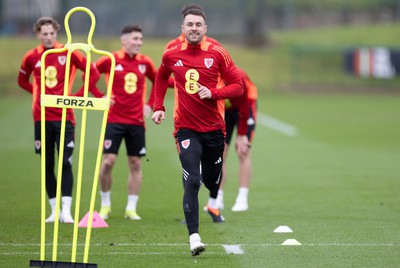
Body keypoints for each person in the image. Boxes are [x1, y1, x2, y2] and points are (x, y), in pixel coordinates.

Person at [151, 9, 243, 256]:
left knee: (212, 181)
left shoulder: (217, 52)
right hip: (186, 128)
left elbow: (238, 87)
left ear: (205, 28)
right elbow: (160, 78)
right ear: (182, 28)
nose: (194, 28)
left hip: (214, 129)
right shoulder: (171, 54)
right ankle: (194, 237)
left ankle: (212, 196)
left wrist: (213, 93)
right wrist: (158, 107)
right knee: (192, 180)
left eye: (198, 24)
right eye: (189, 24)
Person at [17, 17, 101, 224]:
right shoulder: (31, 56)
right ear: (38, 35)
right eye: (44, 34)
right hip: (41, 117)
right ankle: (53, 210)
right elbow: (22, 80)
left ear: (56, 33)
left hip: (65, 117)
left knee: (65, 162)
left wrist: (79, 95)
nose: (48, 37)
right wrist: (37, 94)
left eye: (51, 33)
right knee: (47, 164)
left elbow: (94, 72)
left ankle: (66, 211)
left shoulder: (68, 52)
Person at [96, 25, 166, 220]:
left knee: (135, 163)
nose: (139, 43)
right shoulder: (110, 59)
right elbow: (89, 76)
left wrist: (151, 104)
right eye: (135, 39)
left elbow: (158, 81)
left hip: (136, 121)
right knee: (108, 162)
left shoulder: (145, 62)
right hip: (113, 120)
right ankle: (105, 205)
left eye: (140, 39)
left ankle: (131, 208)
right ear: (124, 41)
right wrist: (100, 97)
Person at [217, 67, 258, 211]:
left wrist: (241, 135)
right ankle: (218, 197)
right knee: (220, 153)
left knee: (242, 151)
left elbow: (246, 105)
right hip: (225, 112)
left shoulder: (237, 76)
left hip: (245, 108)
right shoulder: (210, 74)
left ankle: (242, 198)